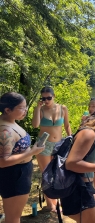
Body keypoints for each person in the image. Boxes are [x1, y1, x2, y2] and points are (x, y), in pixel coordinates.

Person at [0, 92, 45, 223]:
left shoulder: (10, 121)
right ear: (8, 110)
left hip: (20, 174)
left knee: (14, 216)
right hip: (14, 176)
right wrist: (31, 153)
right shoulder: (5, 131)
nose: (25, 111)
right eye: (21, 108)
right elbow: (3, 162)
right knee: (13, 218)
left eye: (26, 107)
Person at [32, 86, 72, 212]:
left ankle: (57, 200)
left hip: (59, 144)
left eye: (49, 98)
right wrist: (38, 108)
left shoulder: (63, 108)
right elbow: (35, 125)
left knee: (58, 172)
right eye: (43, 98)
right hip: (44, 144)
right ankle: (51, 204)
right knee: (46, 174)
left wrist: (71, 139)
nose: (46, 100)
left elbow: (67, 125)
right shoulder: (40, 109)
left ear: (54, 96)